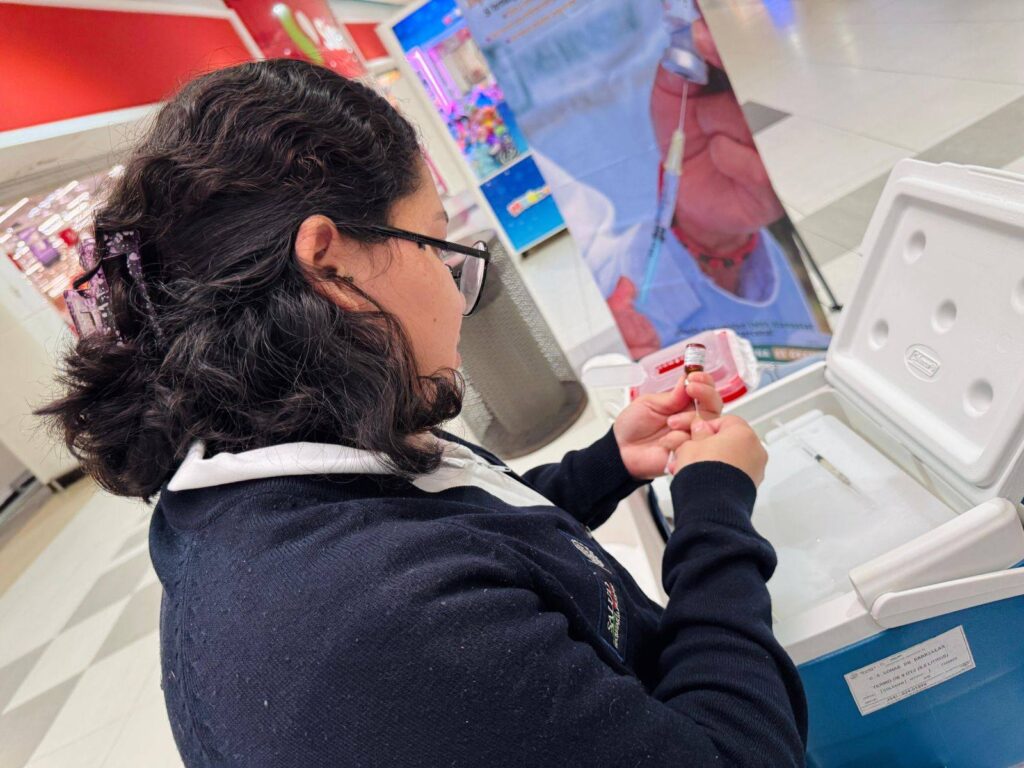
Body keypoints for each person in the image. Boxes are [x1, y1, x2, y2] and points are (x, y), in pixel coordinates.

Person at [41, 60, 806, 767]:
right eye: (435, 245)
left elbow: (455, 529)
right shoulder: (386, 629)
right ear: (331, 265)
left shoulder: (267, 477)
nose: (453, 288)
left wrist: (607, 465)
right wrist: (715, 509)